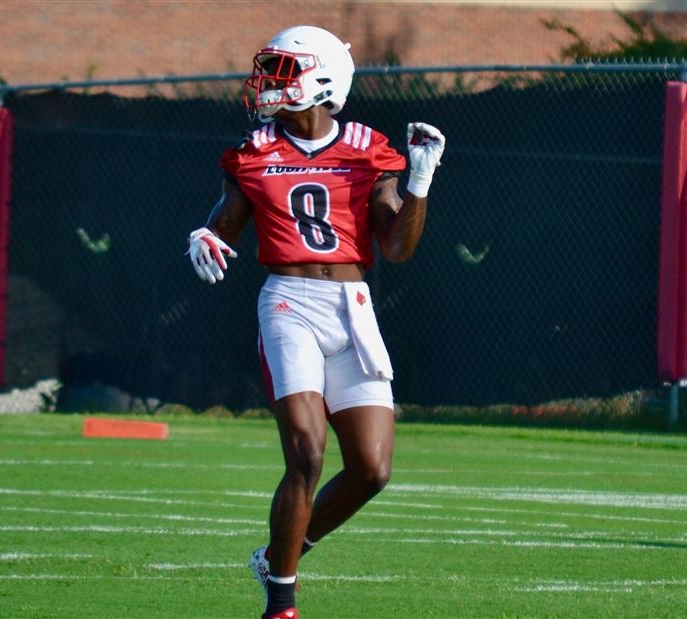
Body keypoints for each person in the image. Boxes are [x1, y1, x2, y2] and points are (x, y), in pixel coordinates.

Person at [185, 25, 445, 619]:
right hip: (287, 303)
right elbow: (223, 221)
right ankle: (281, 600)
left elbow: (397, 248)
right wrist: (202, 236)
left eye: (283, 70)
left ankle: (279, 554)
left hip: (351, 309)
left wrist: (420, 181)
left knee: (372, 471)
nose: (268, 82)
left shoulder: (366, 146)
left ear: (323, 79)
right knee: (306, 451)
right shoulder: (253, 150)